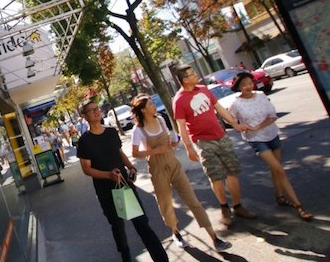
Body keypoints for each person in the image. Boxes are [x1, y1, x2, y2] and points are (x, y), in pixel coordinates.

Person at [130, 94, 232, 251]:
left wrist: (174, 143)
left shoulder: (161, 120)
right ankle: (175, 232)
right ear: (142, 110)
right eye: (150, 104)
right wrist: (155, 150)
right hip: (157, 170)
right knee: (166, 204)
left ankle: (214, 237)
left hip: (174, 165)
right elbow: (135, 153)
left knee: (193, 201)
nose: (153, 106)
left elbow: (171, 141)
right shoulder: (138, 130)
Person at [77, 100, 169, 262]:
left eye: (96, 108)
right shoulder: (84, 141)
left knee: (142, 224)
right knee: (118, 226)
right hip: (106, 191)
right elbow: (86, 169)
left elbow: (120, 153)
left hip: (124, 186)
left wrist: (131, 167)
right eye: (91, 111)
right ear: (84, 116)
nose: (96, 112)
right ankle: (125, 255)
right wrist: (108, 175)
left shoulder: (111, 132)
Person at [173, 65, 257, 226]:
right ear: (185, 80)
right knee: (216, 176)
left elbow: (218, 108)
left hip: (221, 136)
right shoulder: (179, 100)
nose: (196, 75)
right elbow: (181, 127)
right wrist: (189, 148)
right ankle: (224, 207)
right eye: (192, 74)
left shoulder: (204, 89)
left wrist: (234, 123)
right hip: (203, 142)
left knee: (232, 171)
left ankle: (238, 206)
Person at [228, 72, 313, 221]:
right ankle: (299, 205)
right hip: (256, 140)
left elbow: (273, 116)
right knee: (279, 169)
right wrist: (241, 127)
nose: (248, 86)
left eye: (249, 83)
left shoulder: (260, 95)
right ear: (238, 87)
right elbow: (230, 120)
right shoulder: (236, 103)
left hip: (272, 134)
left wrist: (258, 126)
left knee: (276, 169)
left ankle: (279, 197)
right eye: (243, 84)